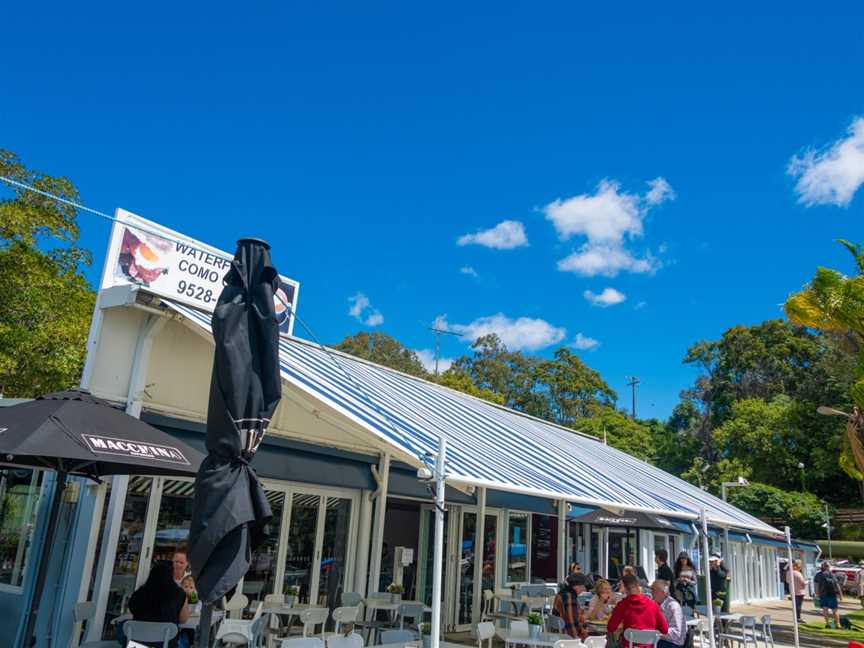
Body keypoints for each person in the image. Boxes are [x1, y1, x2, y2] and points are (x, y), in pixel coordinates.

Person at [129, 561, 190, 647]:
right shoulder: (179, 594)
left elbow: (132, 610)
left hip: (138, 644)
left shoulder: (139, 593)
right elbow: (183, 620)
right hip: (165, 644)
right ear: (171, 575)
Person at [607, 574, 668, 648]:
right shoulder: (653, 605)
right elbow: (664, 630)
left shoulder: (622, 605)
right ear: (638, 585)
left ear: (624, 588)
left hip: (628, 645)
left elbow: (611, 627)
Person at [552, 573, 589, 641]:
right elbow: (572, 623)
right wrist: (583, 639)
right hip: (567, 636)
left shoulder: (561, 593)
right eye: (583, 587)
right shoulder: (570, 598)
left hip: (557, 634)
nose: (584, 590)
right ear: (576, 586)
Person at [651, 580, 686, 648]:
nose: (651, 593)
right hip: (660, 639)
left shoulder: (673, 606)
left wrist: (656, 633)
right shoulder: (655, 604)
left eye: (654, 590)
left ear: (663, 593)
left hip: (672, 643)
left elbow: (676, 633)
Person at [813, 561, 843, 628]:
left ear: (822, 566)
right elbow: (837, 585)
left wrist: (817, 594)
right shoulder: (832, 574)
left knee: (825, 609)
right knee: (835, 610)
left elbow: (816, 585)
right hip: (832, 594)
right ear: (828, 567)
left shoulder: (818, 575)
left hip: (823, 595)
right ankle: (838, 624)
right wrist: (841, 595)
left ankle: (827, 624)